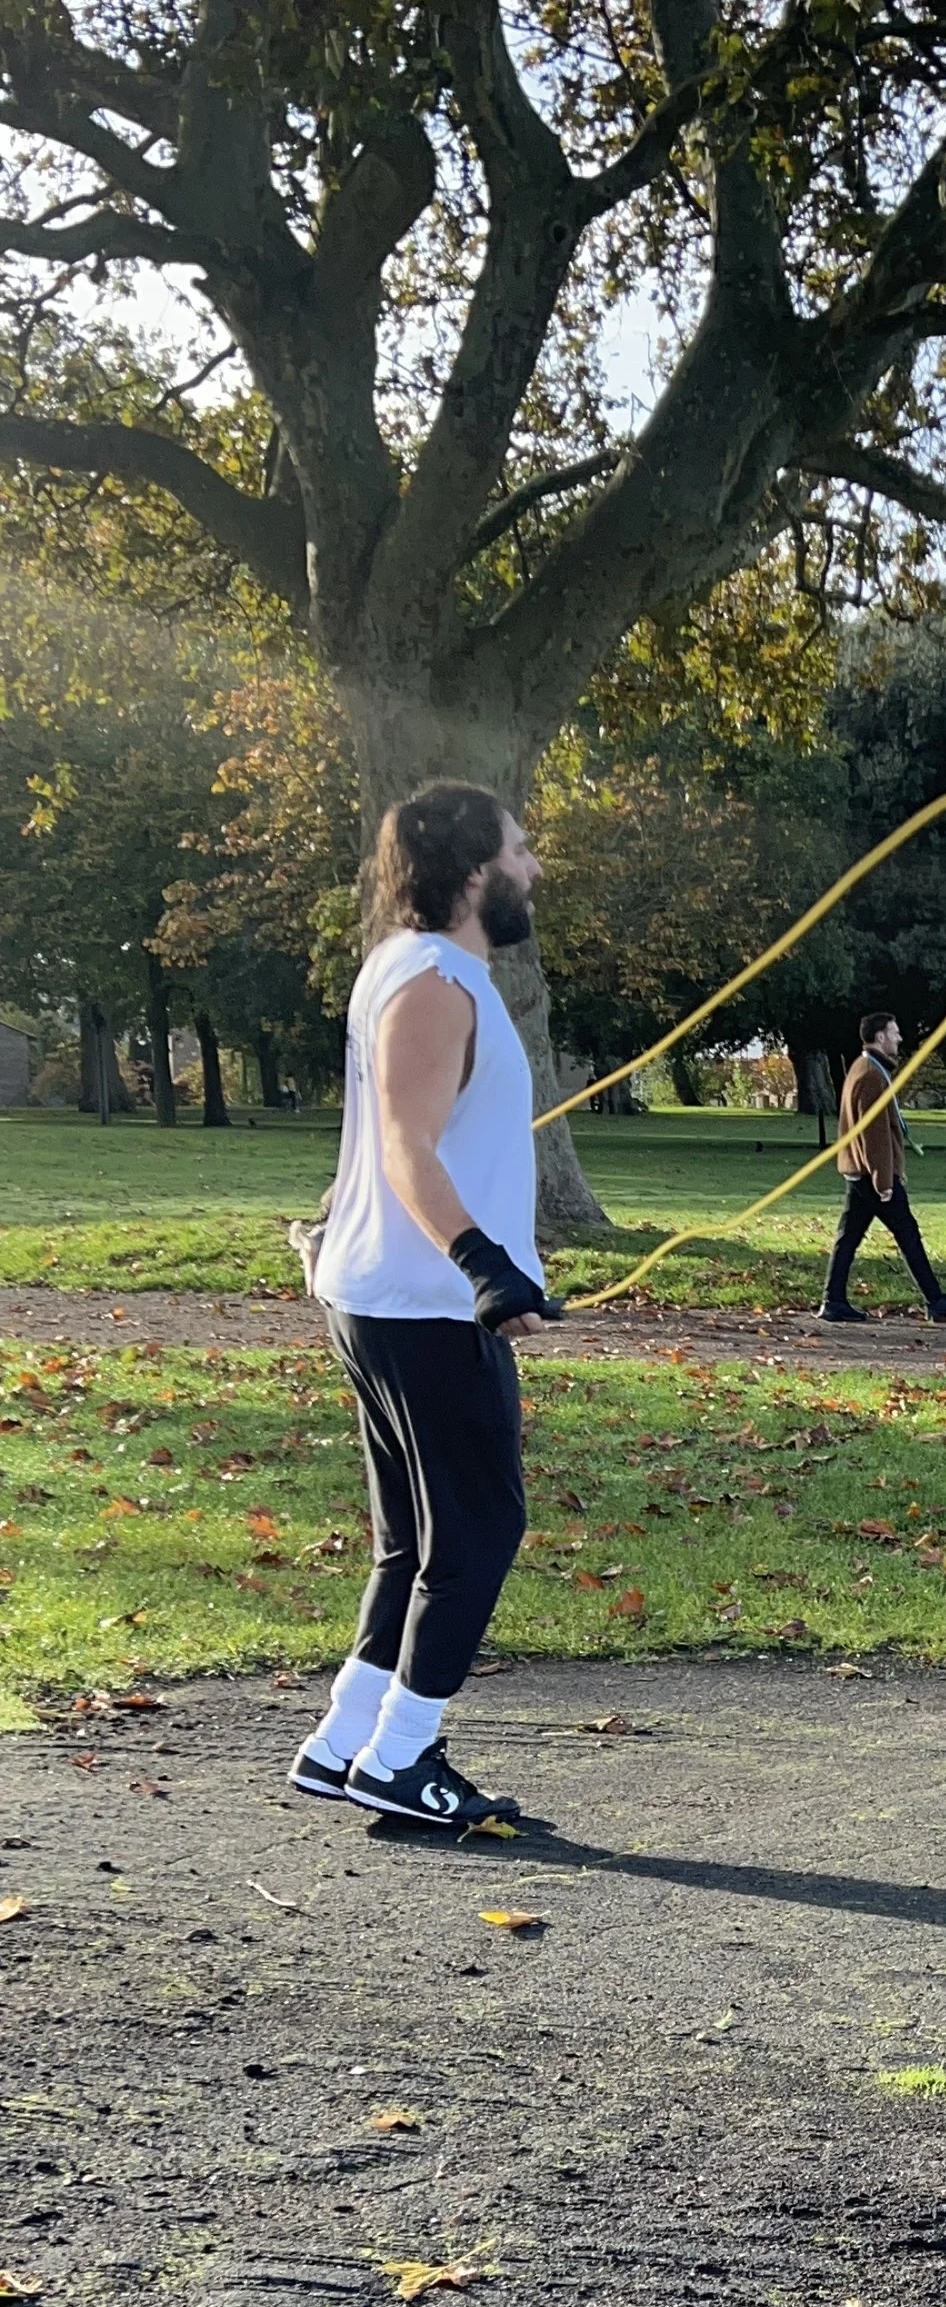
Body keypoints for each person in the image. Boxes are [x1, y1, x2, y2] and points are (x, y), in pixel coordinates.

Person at [286, 781, 558, 1834]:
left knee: (414, 1541)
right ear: (476, 870)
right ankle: (401, 1757)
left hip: (392, 1296)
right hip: (425, 1304)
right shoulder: (436, 978)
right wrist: (485, 1265)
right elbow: (405, 1141)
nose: (534, 869)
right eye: (521, 851)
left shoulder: (412, 972)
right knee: (481, 1528)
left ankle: (347, 1740)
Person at [817, 1009, 946, 1323]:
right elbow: (875, 1135)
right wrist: (883, 1180)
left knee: (849, 1237)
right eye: (894, 1031)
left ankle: (833, 1301)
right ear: (880, 1036)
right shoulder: (871, 1075)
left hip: (859, 1172)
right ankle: (936, 1301)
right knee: (907, 1234)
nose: (900, 1037)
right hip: (871, 1176)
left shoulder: (864, 1068)